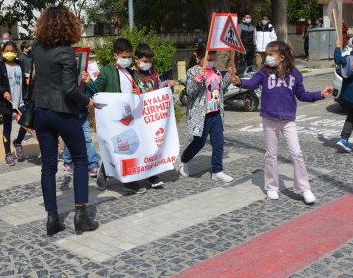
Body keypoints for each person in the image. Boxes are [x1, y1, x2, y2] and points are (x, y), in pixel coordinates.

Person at [233, 41, 332, 203]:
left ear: (282, 57)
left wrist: (320, 94)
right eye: (267, 54)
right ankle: (271, 187)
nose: (268, 57)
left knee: (297, 154)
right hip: (269, 119)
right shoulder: (264, 72)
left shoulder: (295, 74)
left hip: (288, 120)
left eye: (271, 54)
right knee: (271, 154)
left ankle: (304, 188)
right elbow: (251, 83)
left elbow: (303, 95)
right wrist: (239, 82)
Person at [31, 5, 99, 236]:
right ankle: (81, 215)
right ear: (70, 26)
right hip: (64, 113)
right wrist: (88, 101)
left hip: (42, 112)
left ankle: (52, 218)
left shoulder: (36, 48)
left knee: (48, 166)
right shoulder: (67, 52)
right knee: (80, 160)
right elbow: (70, 89)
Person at [93, 38, 147, 194]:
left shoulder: (132, 73)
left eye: (129, 57)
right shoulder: (107, 71)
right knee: (114, 147)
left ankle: (129, 181)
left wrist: (138, 93)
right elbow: (96, 90)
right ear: (115, 55)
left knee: (127, 147)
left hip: (129, 117)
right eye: (124, 57)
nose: (127, 60)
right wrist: (89, 82)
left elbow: (137, 92)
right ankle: (105, 174)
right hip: (113, 117)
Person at [175, 44, 234, 183]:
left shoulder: (215, 71)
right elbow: (190, 92)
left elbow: (221, 89)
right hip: (202, 114)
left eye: (213, 59)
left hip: (216, 112)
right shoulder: (192, 71)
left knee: (218, 142)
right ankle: (181, 160)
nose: (211, 62)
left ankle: (217, 170)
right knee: (199, 143)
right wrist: (197, 79)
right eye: (208, 59)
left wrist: (229, 76)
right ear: (199, 57)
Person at [133, 43, 175, 189]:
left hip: (153, 117)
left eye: (150, 61)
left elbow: (156, 87)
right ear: (137, 59)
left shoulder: (153, 73)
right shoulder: (132, 74)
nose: (148, 64)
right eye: (145, 61)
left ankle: (153, 175)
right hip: (138, 117)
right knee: (141, 147)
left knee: (153, 145)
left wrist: (166, 84)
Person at [0, 41, 27, 166]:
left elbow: (25, 82)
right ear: (2, 52)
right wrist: (3, 92)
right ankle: (7, 153)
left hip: (20, 101)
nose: (9, 53)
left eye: (11, 50)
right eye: (6, 51)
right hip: (7, 103)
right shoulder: (0, 67)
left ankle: (18, 142)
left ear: (16, 52)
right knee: (7, 129)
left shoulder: (20, 65)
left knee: (26, 123)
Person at [62, 71, 101, 179]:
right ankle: (68, 161)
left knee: (87, 139)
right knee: (70, 138)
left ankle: (93, 164)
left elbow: (94, 93)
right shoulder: (63, 74)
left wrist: (88, 82)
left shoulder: (84, 75)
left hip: (82, 113)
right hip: (68, 113)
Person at [10, 41, 33, 158]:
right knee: (26, 121)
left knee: (29, 121)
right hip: (24, 95)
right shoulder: (20, 59)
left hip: (34, 93)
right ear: (24, 48)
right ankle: (18, 142)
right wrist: (27, 76)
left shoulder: (32, 57)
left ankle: (18, 141)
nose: (31, 49)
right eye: (29, 47)